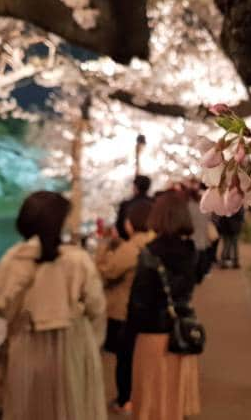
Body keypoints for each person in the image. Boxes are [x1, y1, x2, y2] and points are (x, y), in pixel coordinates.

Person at [0, 191, 107, 420]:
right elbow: (96, 306)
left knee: (27, 407)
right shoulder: (77, 259)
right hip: (72, 342)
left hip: (26, 342)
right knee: (73, 407)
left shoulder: (13, 259)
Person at [127, 191, 201, 420]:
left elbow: (139, 302)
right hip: (181, 334)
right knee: (175, 401)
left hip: (152, 335)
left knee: (151, 402)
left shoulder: (150, 253)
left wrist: (126, 336)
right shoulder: (191, 252)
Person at [95, 201, 155, 415]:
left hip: (125, 311)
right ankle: (143, 397)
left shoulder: (131, 249)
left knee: (125, 359)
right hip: (151, 312)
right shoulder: (155, 243)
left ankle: (126, 400)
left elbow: (104, 273)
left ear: (131, 223)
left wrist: (104, 247)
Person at [116, 175, 153, 240]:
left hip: (131, 242)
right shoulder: (155, 202)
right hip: (152, 241)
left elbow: (120, 227)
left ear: (135, 187)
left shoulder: (126, 205)